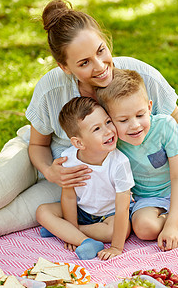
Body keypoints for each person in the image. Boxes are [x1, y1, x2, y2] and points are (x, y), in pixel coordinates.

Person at [0, 0, 178, 257]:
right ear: (65, 67)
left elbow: (171, 117)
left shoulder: (137, 75)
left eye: (101, 51)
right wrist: (49, 170)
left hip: (74, 182)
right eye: (84, 63)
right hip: (36, 158)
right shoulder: (52, 88)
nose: (100, 67)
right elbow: (37, 144)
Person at [95, 68, 178, 251]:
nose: (135, 126)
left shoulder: (165, 125)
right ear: (109, 120)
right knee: (144, 229)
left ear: (149, 107)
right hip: (149, 198)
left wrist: (174, 224)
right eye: (123, 120)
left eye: (140, 115)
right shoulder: (113, 142)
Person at [36, 97, 134, 261]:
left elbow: (123, 209)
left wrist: (116, 247)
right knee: (42, 212)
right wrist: (71, 223)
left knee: (118, 231)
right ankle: (84, 240)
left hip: (110, 214)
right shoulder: (68, 158)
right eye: (97, 129)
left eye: (108, 122)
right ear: (79, 143)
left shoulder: (119, 163)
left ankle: (64, 231)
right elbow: (68, 196)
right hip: (82, 211)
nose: (108, 131)